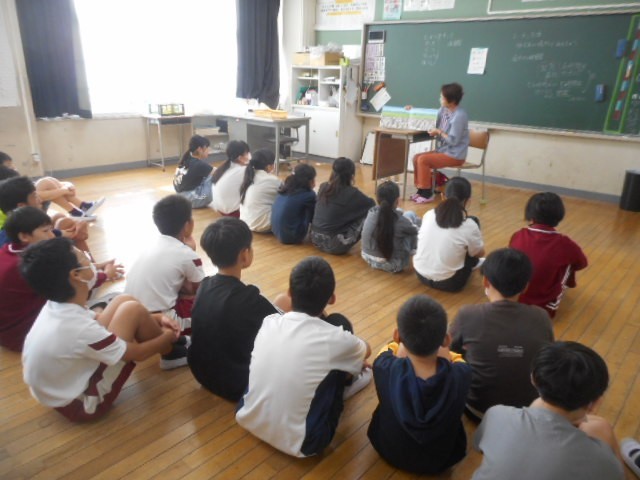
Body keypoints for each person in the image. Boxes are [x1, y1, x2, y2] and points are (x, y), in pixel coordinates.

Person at [20, 237, 182, 422]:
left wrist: (159, 317)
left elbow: (97, 320)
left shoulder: (56, 305)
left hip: (55, 390)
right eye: (84, 257)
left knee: (123, 300)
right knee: (131, 310)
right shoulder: (77, 328)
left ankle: (170, 350)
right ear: (76, 275)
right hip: (81, 404)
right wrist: (168, 335)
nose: (90, 260)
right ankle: (171, 351)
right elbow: (136, 354)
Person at [236, 256, 372, 457]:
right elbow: (366, 350)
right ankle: (349, 379)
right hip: (305, 443)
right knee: (340, 322)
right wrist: (351, 354)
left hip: (246, 414)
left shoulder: (270, 321)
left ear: (290, 293)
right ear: (332, 299)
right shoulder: (333, 339)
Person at [473, 341, 624, 480]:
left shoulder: (497, 414)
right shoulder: (600, 459)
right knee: (600, 426)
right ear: (595, 403)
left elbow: (478, 445)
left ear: (533, 379)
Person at [367, 295, 471, 474]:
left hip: (388, 449)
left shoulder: (383, 365)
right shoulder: (462, 374)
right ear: (446, 340)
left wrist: (400, 345)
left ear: (397, 335)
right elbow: (456, 359)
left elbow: (390, 350)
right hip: (442, 459)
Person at [449, 248, 554, 419]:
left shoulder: (468, 315)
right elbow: (546, 356)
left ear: (486, 281)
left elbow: (450, 350)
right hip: (525, 411)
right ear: (526, 286)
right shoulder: (541, 317)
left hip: (478, 409)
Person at [187, 217, 278, 401]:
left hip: (202, 374)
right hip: (239, 385)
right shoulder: (249, 299)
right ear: (244, 255)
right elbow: (282, 328)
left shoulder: (205, 285)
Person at [124, 195, 205, 357]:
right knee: (210, 309)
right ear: (188, 225)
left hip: (131, 318)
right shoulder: (186, 254)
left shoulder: (151, 244)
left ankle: (176, 341)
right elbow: (201, 291)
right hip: (160, 321)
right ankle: (174, 350)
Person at [509, 192, 588, 318]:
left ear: (530, 214)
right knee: (568, 262)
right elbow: (582, 263)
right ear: (559, 215)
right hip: (544, 308)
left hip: (514, 298)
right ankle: (550, 297)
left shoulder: (517, 235)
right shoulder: (565, 243)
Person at [413, 177, 484, 292]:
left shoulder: (429, 214)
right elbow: (479, 253)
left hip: (420, 274)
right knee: (473, 223)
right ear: (468, 201)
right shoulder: (469, 225)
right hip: (450, 282)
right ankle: (472, 264)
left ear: (443, 196)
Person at [410, 82, 469, 204]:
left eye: (442, 97)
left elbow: (453, 141)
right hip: (443, 151)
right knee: (416, 157)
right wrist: (413, 111)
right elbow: (429, 118)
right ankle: (421, 190)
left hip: (455, 155)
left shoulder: (459, 116)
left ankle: (427, 193)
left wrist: (439, 132)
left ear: (451, 100)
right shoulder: (443, 110)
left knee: (423, 160)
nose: (440, 99)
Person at [1, 151, 104, 219]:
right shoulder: (8, 187)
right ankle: (80, 207)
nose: (14, 167)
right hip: (30, 212)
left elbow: (41, 189)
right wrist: (64, 190)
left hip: (35, 205)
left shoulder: (14, 180)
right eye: (9, 165)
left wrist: (67, 186)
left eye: (12, 164)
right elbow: (37, 196)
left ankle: (78, 210)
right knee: (45, 184)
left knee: (48, 182)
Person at [0, 175, 91, 253]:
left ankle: (92, 265)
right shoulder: (11, 242)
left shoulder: (25, 226)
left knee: (65, 222)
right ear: (21, 206)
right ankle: (90, 265)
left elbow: (57, 233)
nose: (40, 199)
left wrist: (78, 225)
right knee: (65, 224)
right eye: (35, 196)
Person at [310, 157, 375, 255]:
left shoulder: (323, 186)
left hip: (314, 238)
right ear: (352, 176)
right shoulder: (353, 193)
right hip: (335, 245)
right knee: (370, 213)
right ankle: (373, 248)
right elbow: (372, 205)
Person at [361, 181, 420, 273]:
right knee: (411, 220)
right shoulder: (401, 221)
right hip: (393, 265)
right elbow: (419, 232)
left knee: (408, 217)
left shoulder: (371, 213)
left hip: (367, 257)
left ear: (378, 199)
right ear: (397, 200)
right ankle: (414, 249)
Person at [270, 163, 317, 244]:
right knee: (312, 206)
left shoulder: (284, 189)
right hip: (293, 237)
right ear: (309, 180)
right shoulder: (309, 195)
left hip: (276, 232)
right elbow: (315, 214)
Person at [239, 148, 281, 232]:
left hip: (246, 222)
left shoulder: (248, 176)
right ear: (269, 166)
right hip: (263, 225)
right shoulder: (272, 180)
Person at [173, 135, 213, 209]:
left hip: (180, 196)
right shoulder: (199, 164)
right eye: (207, 147)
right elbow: (218, 173)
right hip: (191, 199)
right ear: (200, 149)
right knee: (211, 176)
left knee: (206, 174)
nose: (209, 150)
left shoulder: (186, 159)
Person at [211, 140, 250, 217]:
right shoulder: (242, 170)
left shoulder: (224, 167)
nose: (249, 155)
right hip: (232, 213)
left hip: (220, 209)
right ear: (240, 158)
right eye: (247, 153)